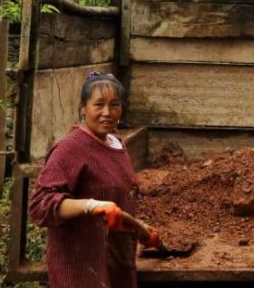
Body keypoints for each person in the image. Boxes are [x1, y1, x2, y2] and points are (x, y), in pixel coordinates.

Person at [29, 72, 162, 288]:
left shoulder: (116, 143)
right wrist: (91, 206)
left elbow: (116, 205)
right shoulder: (71, 149)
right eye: (98, 104)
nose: (107, 113)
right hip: (81, 266)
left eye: (114, 105)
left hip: (113, 259)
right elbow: (40, 205)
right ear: (83, 107)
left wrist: (140, 230)